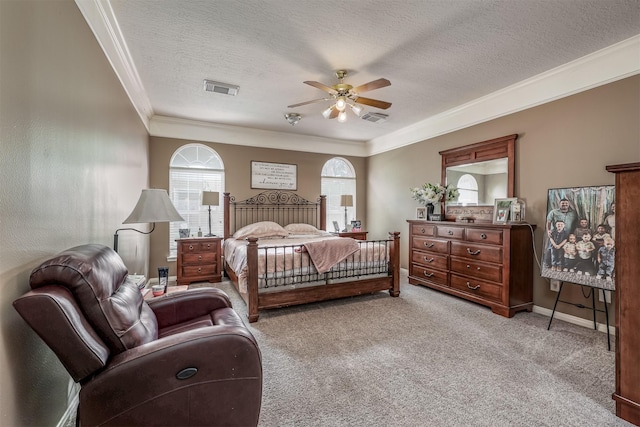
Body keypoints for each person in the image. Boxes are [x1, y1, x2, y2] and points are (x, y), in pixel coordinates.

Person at [545, 198, 578, 267]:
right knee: (551, 248)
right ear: (559, 204)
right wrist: (548, 230)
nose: (564, 205)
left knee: (564, 249)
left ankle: (562, 265)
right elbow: (548, 222)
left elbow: (576, 223)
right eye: (562, 203)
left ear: (568, 204)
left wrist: (573, 233)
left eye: (566, 203)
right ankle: (548, 263)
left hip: (567, 234)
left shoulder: (574, 213)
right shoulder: (553, 212)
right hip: (555, 234)